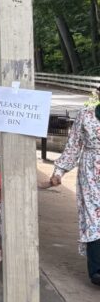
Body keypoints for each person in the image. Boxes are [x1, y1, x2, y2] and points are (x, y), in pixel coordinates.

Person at [43, 98, 100, 285]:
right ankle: (97, 270)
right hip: (91, 174)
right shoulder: (86, 115)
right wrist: (59, 172)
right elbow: (73, 146)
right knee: (94, 218)